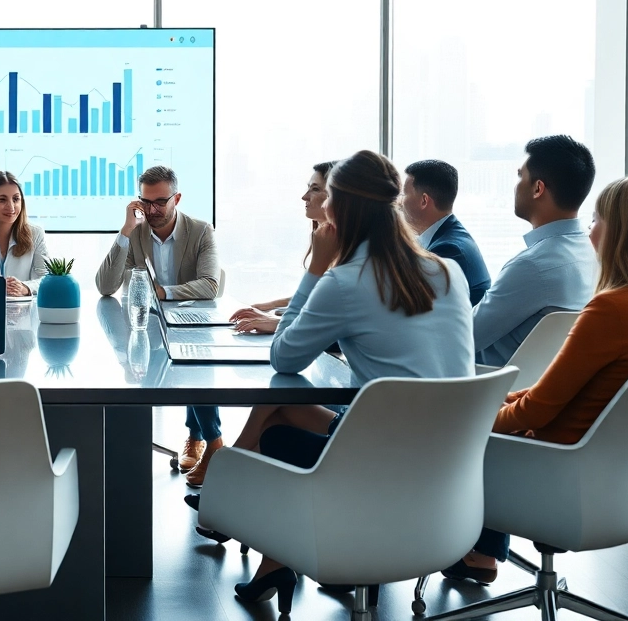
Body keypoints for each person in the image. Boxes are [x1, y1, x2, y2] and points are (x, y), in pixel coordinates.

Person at [189, 150, 475, 607]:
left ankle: (232, 508)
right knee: (280, 406)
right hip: (450, 474)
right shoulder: (448, 271)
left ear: (341, 208)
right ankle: (268, 560)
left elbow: (285, 355)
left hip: (376, 472)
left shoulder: (347, 280)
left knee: (277, 429)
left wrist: (316, 269)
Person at [448, 173, 628, 586]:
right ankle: (475, 553)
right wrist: (490, 403)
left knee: (433, 440)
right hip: (618, 484)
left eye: (595, 219)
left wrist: (465, 421)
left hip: (552, 472)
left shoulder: (613, 310)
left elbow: (536, 410)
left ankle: (396, 553)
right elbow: (553, 396)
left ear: (622, 231)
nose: (589, 231)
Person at [95, 166, 223, 486]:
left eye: (160, 202)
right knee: (137, 372)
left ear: (176, 198)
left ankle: (203, 439)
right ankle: (200, 440)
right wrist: (125, 231)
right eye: (145, 202)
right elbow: (105, 286)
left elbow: (210, 285)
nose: (151, 210)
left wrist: (164, 293)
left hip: (192, 322)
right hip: (147, 326)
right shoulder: (136, 233)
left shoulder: (201, 231)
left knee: (194, 363)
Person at [472, 135, 599, 366]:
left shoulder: (532, 266)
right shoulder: (592, 254)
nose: (515, 184)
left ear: (538, 188)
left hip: (490, 389)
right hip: (541, 386)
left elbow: (465, 338)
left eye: (520, 175)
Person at [229, 161, 337, 334]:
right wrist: (268, 307)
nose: (304, 197)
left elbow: (333, 317)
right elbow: (316, 298)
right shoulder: (327, 243)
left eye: (315, 189)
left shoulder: (354, 256)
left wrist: (279, 322)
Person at [401, 159, 491, 304]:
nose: (400, 202)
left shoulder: (448, 250)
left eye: (404, 195)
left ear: (424, 200)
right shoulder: (448, 236)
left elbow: (413, 307)